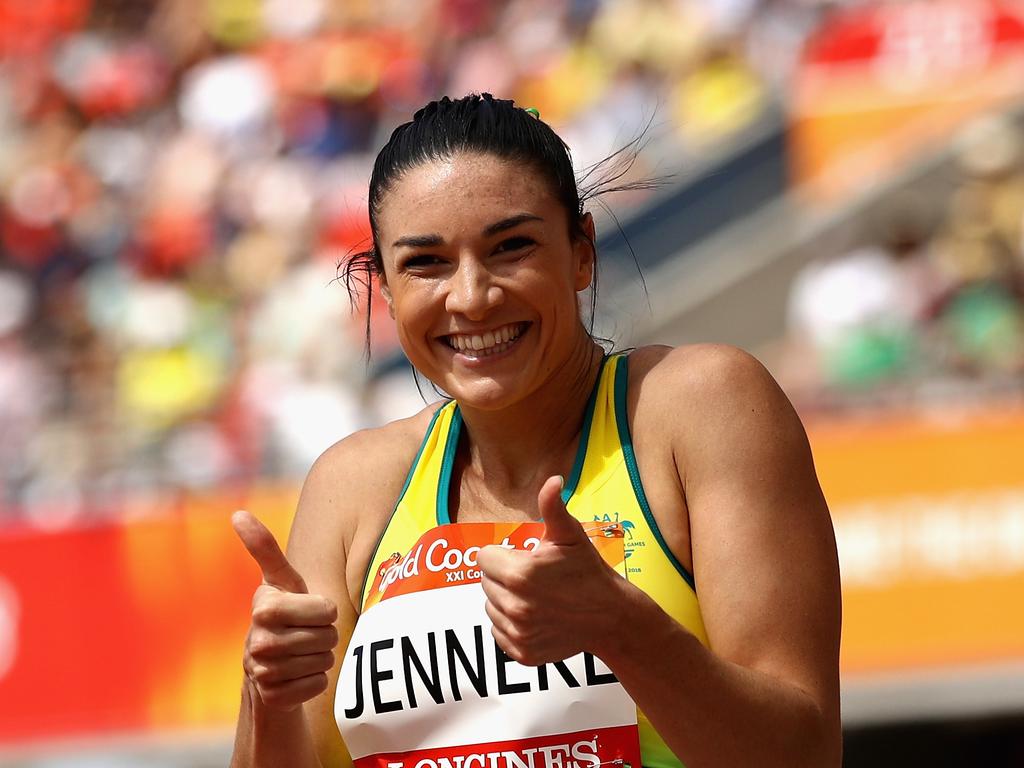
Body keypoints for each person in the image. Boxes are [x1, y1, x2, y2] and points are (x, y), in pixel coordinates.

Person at [229, 93, 842, 768]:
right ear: (386, 286)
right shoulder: (352, 487)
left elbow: (802, 755)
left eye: (511, 246)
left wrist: (620, 625)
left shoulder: (698, 407)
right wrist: (270, 695)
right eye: (425, 263)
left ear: (582, 254)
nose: (471, 296)